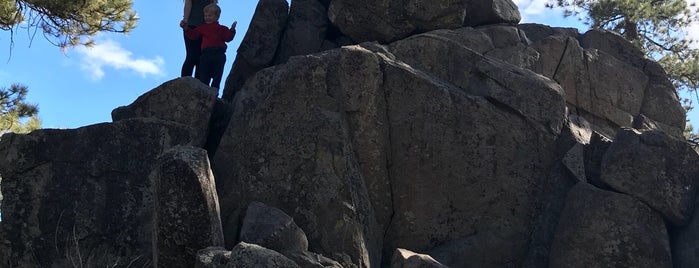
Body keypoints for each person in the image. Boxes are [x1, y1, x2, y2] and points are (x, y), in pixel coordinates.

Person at [184, 3, 237, 90]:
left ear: (217, 17)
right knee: (204, 75)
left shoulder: (222, 28)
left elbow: (228, 38)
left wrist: (232, 30)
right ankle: (204, 91)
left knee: (217, 75)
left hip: (219, 54)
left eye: (210, 15)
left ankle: (214, 91)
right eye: (205, 16)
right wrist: (186, 29)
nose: (207, 18)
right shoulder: (202, 27)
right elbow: (193, 35)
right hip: (206, 54)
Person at [180, 0, 218, 78]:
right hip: (192, 26)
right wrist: (186, 20)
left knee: (201, 58)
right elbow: (188, 3)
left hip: (206, 28)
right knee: (192, 56)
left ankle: (199, 83)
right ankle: (185, 80)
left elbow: (214, 7)